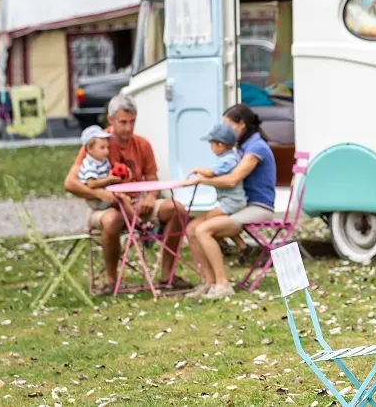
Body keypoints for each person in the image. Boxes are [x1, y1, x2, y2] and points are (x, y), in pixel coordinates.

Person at [64, 94, 191, 296]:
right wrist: (99, 194)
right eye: (123, 122)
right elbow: (69, 183)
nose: (128, 128)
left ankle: (168, 276)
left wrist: (150, 197)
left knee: (178, 210)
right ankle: (111, 280)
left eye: (132, 122)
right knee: (112, 220)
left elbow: (153, 180)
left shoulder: (142, 144)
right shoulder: (97, 143)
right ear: (110, 120)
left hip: (137, 203)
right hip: (106, 207)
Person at [184, 103, 276, 299]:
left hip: (259, 206)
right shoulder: (243, 147)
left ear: (241, 125)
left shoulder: (256, 147)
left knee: (203, 230)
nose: (225, 130)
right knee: (192, 229)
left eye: (228, 125)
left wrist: (203, 180)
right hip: (244, 205)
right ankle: (209, 283)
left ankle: (223, 284)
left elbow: (233, 179)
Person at [181, 122, 248, 257]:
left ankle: (222, 246)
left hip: (231, 203)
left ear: (220, 145)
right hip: (232, 202)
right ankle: (243, 247)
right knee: (216, 222)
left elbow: (212, 173)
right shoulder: (229, 156)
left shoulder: (227, 159)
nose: (211, 148)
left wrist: (197, 171)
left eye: (211, 144)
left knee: (207, 220)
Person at [76, 125, 132, 214]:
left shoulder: (102, 161)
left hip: (103, 195)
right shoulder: (90, 165)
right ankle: (138, 222)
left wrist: (124, 170)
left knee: (125, 199)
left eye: (107, 147)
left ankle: (132, 221)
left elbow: (110, 171)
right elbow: (91, 183)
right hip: (96, 201)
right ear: (90, 149)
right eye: (102, 148)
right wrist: (109, 179)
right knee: (123, 198)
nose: (106, 151)